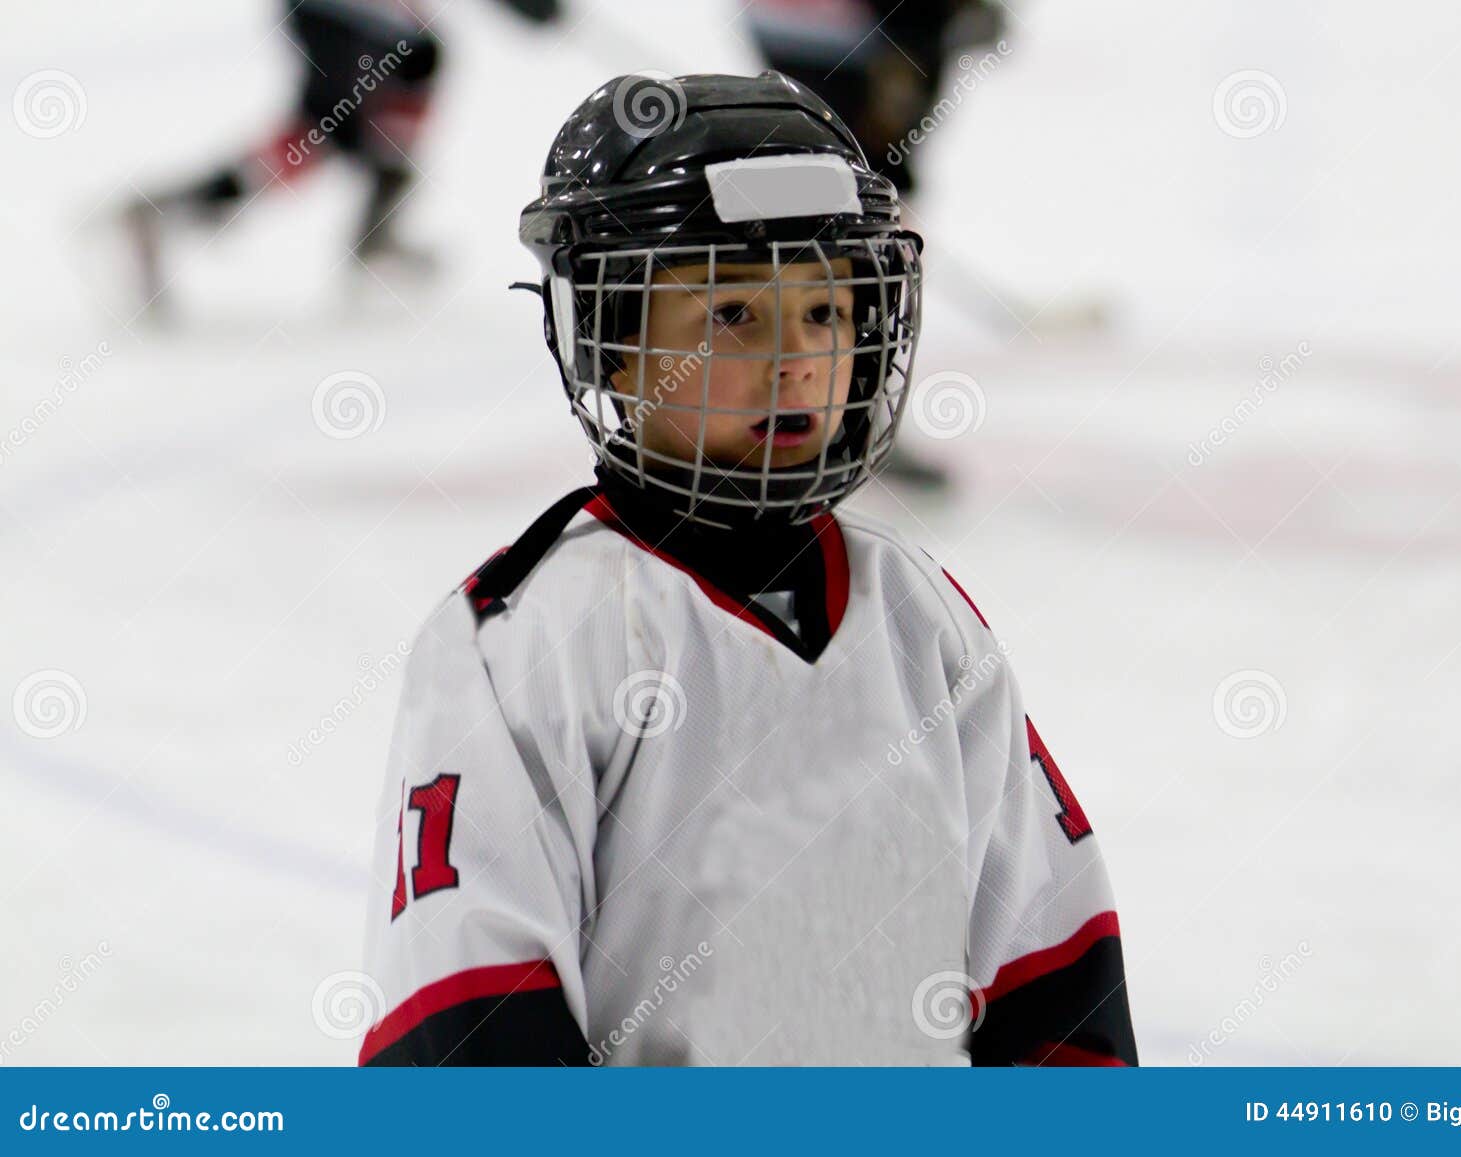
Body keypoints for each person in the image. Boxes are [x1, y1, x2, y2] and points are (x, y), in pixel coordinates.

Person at [357, 72, 1136, 1066]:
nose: (795, 359)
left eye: (825, 311)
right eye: (732, 314)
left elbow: (1053, 980)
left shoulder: (922, 614)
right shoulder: (523, 639)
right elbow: (466, 1034)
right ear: (612, 343)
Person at [122, 0, 560, 312]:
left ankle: (168, 212)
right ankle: (374, 235)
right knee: (361, 105)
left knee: (333, 127)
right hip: (349, 14)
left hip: (347, 15)